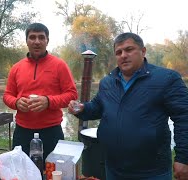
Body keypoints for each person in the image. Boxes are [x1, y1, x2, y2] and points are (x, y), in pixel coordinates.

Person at [68, 32, 188, 179]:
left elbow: (184, 117)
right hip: (113, 167)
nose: (123, 55)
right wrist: (82, 109)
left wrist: (184, 157)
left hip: (151, 171)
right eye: (118, 52)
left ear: (143, 51)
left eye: (129, 49)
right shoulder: (108, 82)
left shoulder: (166, 78)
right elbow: (97, 107)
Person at [3, 23, 78, 162]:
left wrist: (48, 101)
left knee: (52, 173)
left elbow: (72, 94)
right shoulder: (16, 68)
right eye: (32, 37)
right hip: (22, 131)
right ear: (26, 41)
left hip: (51, 131)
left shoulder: (59, 65)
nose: (37, 41)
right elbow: (7, 95)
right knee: (21, 172)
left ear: (47, 41)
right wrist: (16, 102)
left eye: (41, 37)